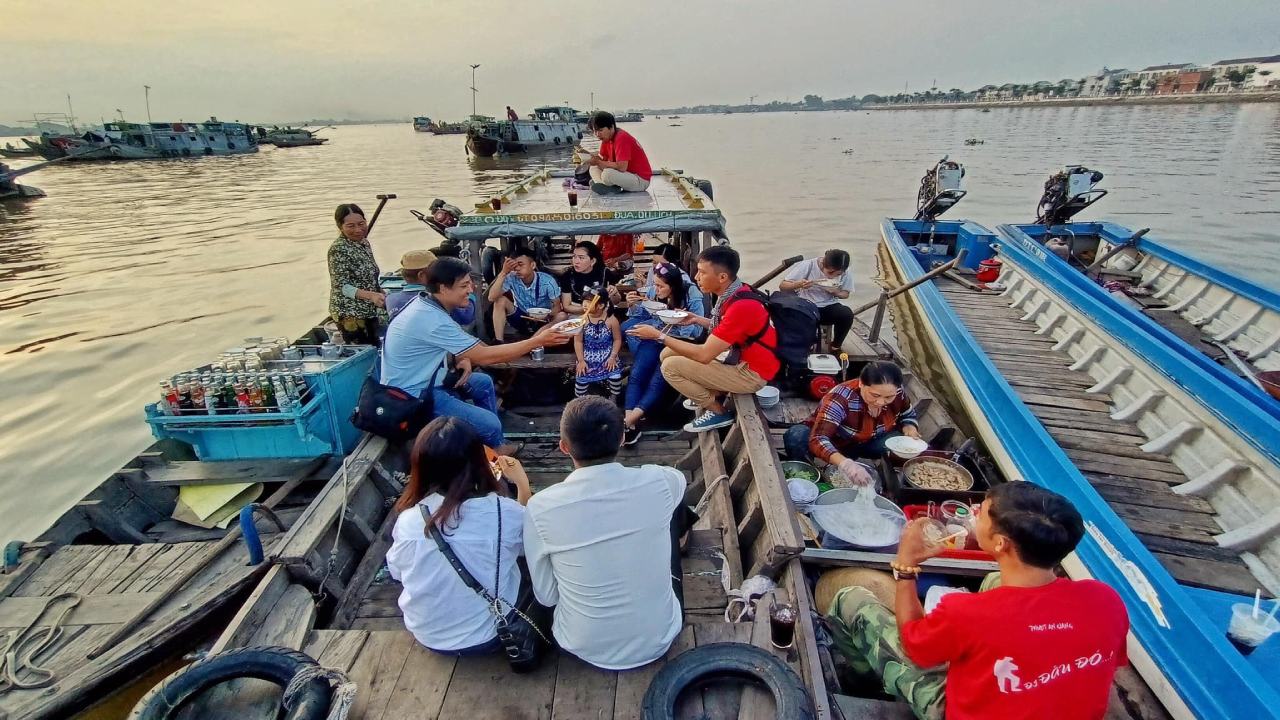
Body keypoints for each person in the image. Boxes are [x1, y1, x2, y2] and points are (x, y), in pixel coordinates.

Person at [826, 482, 1129, 720]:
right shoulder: (1106, 600)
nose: (973, 515)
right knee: (994, 581)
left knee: (850, 601)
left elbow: (914, 645)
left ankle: (861, 681)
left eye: (981, 513)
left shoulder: (967, 613)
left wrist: (906, 567)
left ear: (1000, 543)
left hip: (963, 711)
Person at [523, 397, 686, 670]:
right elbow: (678, 481)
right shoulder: (660, 480)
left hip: (583, 644)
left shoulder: (540, 507)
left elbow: (547, 597)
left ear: (564, 447)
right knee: (669, 513)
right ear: (622, 439)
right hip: (660, 635)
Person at [383, 257, 572, 453]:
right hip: (414, 395)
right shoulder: (431, 318)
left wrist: (460, 357)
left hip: (431, 379)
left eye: (470, 284)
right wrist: (537, 341)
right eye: (464, 285)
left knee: (482, 382)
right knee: (490, 424)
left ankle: (494, 443)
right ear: (443, 288)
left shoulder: (428, 305)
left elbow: (449, 345)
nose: (471, 290)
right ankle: (489, 437)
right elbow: (484, 356)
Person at [387, 417, 533, 656]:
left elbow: (396, 572)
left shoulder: (409, 520)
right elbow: (528, 547)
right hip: (490, 634)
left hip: (428, 635)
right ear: (477, 462)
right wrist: (523, 486)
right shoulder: (502, 511)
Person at [628, 245, 778, 432]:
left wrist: (658, 335)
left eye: (701, 272)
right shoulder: (736, 292)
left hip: (751, 373)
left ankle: (718, 411)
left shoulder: (741, 306)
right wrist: (697, 319)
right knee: (668, 353)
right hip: (739, 358)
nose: (696, 278)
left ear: (722, 277)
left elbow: (704, 355)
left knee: (670, 367)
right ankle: (707, 393)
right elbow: (727, 328)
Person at [784, 361, 921, 485]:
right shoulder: (840, 398)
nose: (880, 402)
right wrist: (846, 464)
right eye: (875, 395)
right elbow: (818, 438)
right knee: (797, 436)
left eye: (888, 397)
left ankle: (887, 479)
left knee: (902, 446)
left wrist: (910, 426)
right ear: (861, 383)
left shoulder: (898, 393)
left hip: (868, 440)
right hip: (837, 440)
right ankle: (805, 477)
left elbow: (907, 414)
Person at [620, 262, 706, 445]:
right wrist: (632, 305)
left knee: (658, 379)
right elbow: (643, 313)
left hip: (681, 342)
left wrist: (680, 320)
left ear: (673, 286)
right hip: (655, 336)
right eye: (655, 284)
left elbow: (698, 332)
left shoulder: (692, 296)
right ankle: (631, 422)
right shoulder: (653, 292)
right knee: (636, 374)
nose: (655, 289)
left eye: (660, 286)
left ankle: (628, 422)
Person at [328, 203, 387, 345]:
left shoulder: (364, 243)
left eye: (361, 224)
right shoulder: (338, 249)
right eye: (351, 226)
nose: (358, 230)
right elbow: (343, 287)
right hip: (350, 313)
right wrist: (371, 295)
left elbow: (370, 275)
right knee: (366, 350)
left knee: (377, 345)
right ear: (340, 226)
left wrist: (380, 291)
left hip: (369, 309)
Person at [780, 249, 855, 350]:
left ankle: (836, 346)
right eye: (830, 272)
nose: (832, 276)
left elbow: (846, 294)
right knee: (802, 318)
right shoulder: (808, 265)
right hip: (806, 305)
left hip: (829, 306)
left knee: (846, 314)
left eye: (837, 274)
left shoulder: (845, 271)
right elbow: (783, 286)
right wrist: (799, 284)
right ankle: (808, 342)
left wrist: (835, 292)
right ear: (822, 263)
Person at [488, 248, 562, 341]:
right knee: (499, 301)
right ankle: (499, 341)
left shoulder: (547, 281)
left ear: (533, 265)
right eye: (514, 266)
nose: (517, 269)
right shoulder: (511, 277)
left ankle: (532, 341)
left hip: (543, 320)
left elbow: (557, 307)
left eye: (520, 264)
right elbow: (491, 297)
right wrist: (503, 273)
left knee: (562, 316)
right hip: (523, 318)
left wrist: (545, 315)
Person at [387, 249, 476, 325]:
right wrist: (471, 296)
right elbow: (466, 317)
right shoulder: (435, 300)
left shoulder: (390, 298)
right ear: (421, 275)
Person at [584, 111, 652, 195]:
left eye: (600, 130)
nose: (597, 134)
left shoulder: (621, 137)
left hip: (640, 180)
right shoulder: (606, 138)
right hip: (626, 175)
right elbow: (603, 161)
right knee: (593, 167)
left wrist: (598, 162)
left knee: (607, 174)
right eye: (595, 131)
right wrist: (589, 156)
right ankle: (603, 185)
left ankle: (605, 185)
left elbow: (622, 167)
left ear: (611, 127)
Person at [574, 289, 624, 400]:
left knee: (615, 377)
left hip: (607, 355)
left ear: (601, 305)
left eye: (589, 302)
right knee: (580, 380)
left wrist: (613, 356)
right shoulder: (582, 320)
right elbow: (578, 341)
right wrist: (581, 361)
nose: (585, 305)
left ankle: (613, 398)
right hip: (587, 357)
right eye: (584, 301)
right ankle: (580, 402)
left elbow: (617, 340)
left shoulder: (611, 320)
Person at [560, 240, 622, 315]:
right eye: (574, 256)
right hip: (577, 314)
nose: (576, 261)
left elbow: (616, 301)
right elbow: (567, 306)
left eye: (581, 258)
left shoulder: (605, 272)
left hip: (601, 313)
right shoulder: (567, 275)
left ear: (593, 261)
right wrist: (589, 309)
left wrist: (614, 293)